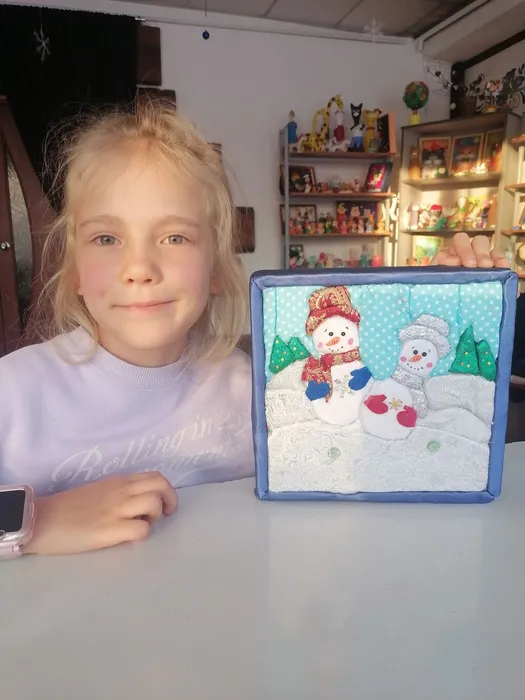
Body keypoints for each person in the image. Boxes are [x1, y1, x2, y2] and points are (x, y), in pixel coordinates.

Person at [0, 101, 254, 555]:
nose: (139, 268)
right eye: (107, 239)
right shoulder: (14, 391)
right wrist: (38, 521)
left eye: (174, 237)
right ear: (75, 271)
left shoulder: (253, 389)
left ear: (215, 266)